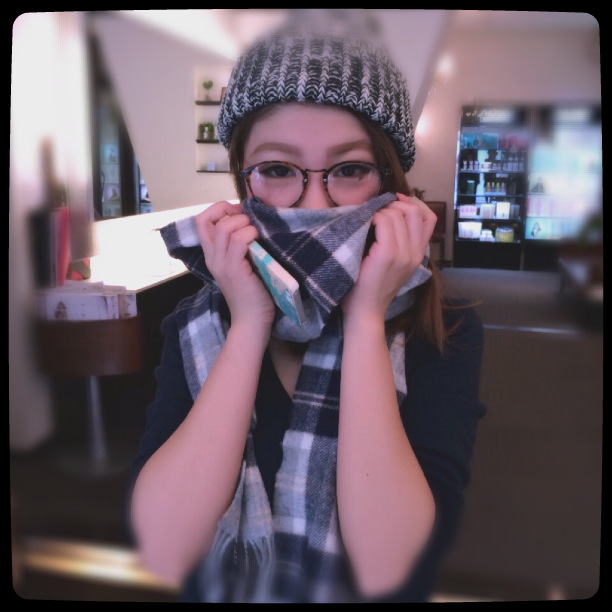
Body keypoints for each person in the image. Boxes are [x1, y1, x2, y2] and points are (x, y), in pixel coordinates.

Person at [125, 10, 486, 604]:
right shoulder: (195, 325)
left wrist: (365, 319)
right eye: (277, 170)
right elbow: (164, 539)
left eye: (350, 169)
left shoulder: (444, 328)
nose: (314, 205)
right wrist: (249, 324)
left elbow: (391, 561)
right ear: (244, 183)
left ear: (389, 183)